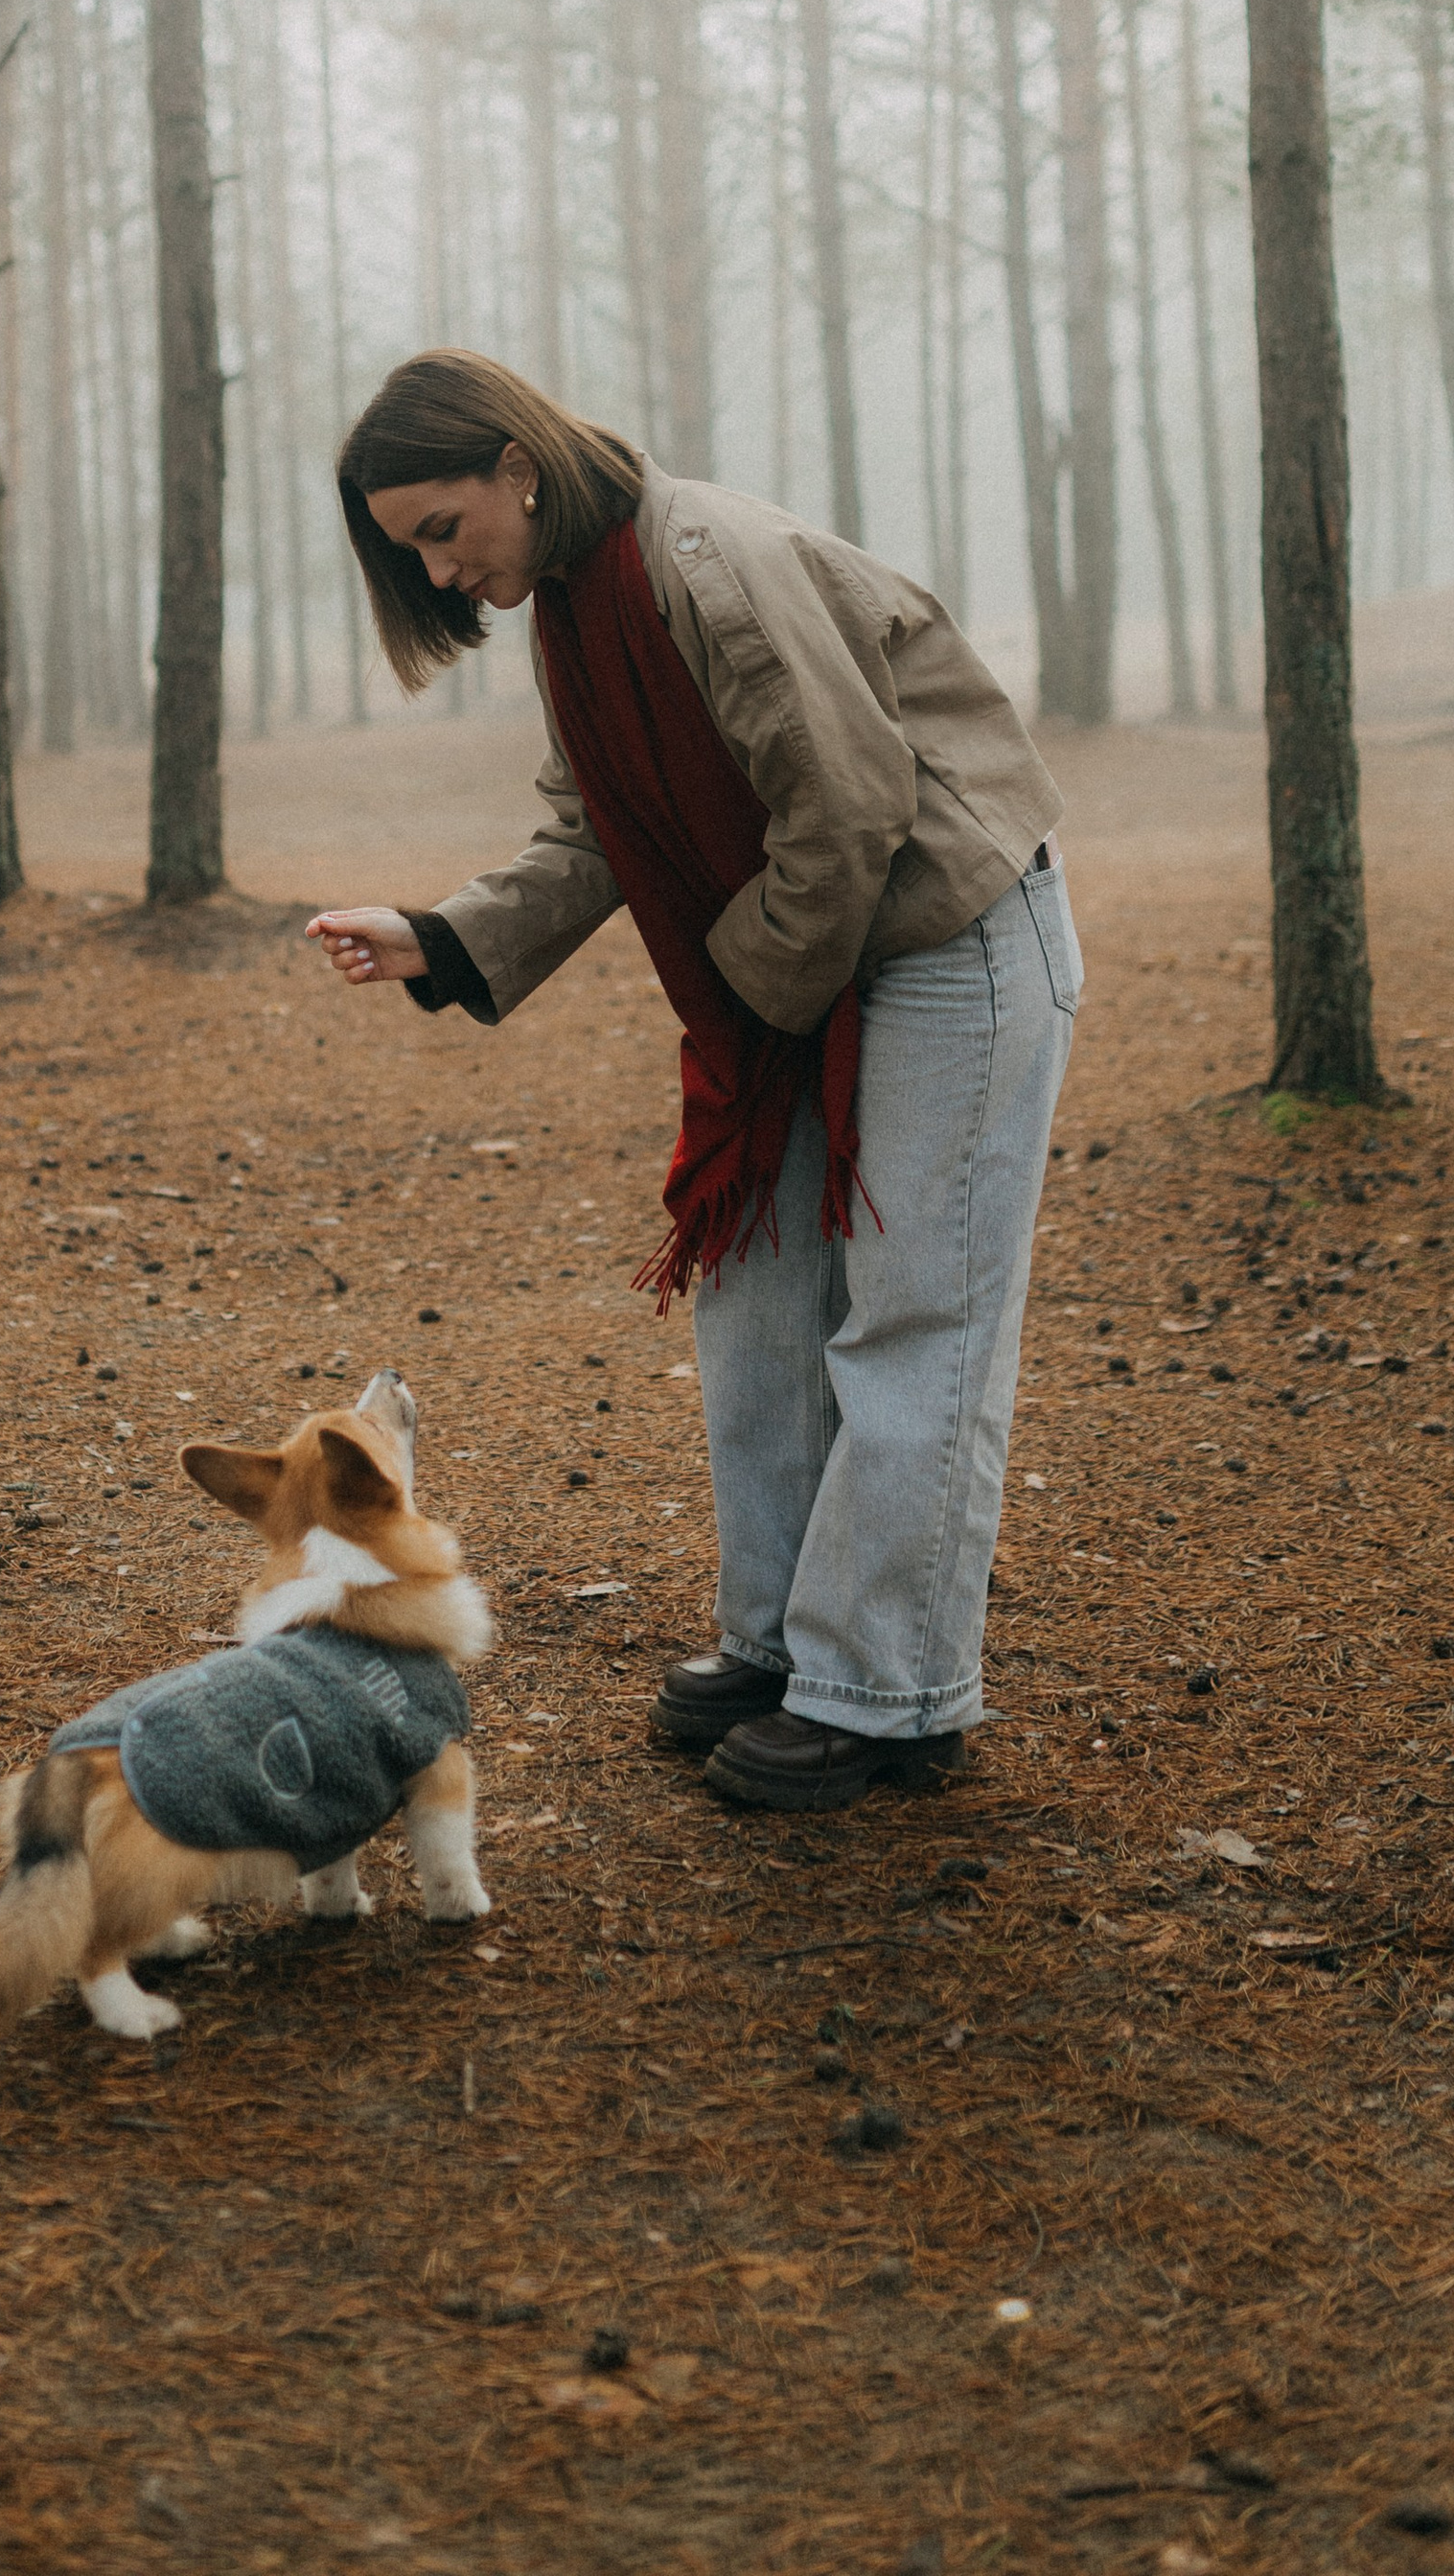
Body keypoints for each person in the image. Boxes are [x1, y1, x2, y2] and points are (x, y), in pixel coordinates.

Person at [305, 351, 1079, 1817]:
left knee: (916, 1310)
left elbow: (850, 809)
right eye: (412, 547)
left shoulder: (704, 566)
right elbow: (596, 828)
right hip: (806, 955)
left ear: (515, 468)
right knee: (761, 1295)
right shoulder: (581, 607)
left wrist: (745, 1002)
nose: (440, 567)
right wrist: (446, 937)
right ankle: (784, 1643)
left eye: (439, 528)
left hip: (945, 938)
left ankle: (885, 1691)